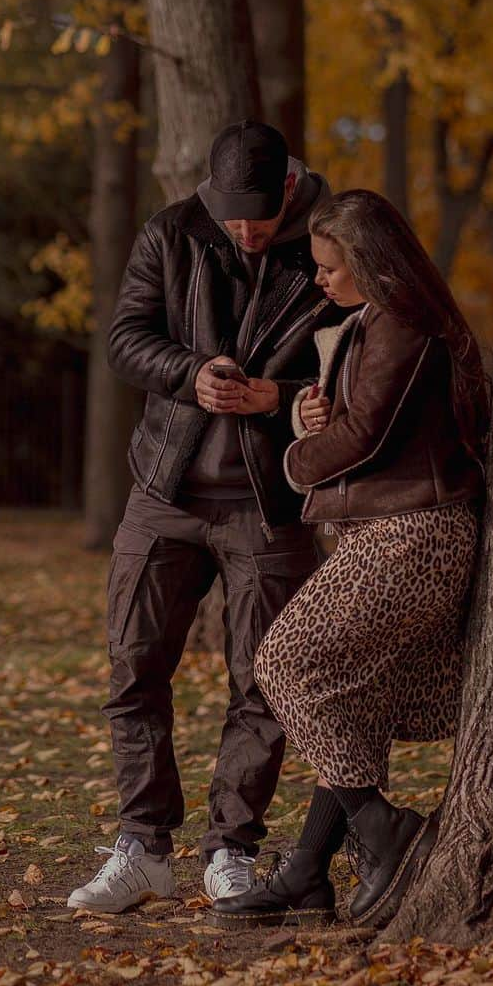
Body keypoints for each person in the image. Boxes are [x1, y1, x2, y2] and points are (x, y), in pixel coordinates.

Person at [67, 120, 339, 914]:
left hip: (270, 503)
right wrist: (192, 374)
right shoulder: (172, 231)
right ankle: (143, 846)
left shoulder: (329, 241)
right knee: (133, 667)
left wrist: (279, 401)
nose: (245, 232)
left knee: (263, 683)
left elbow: (357, 364)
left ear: (288, 187)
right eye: (231, 218)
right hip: (164, 492)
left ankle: (232, 850)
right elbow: (124, 339)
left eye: (257, 216)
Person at [209, 188, 489, 931]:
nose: (319, 280)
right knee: (350, 698)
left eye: (331, 267)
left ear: (370, 261)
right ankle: (306, 874)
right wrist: (310, 405)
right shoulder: (373, 323)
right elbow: (366, 419)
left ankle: (384, 829)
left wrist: (298, 457)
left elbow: (364, 435)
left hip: (413, 537)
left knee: (288, 663)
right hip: (386, 531)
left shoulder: (404, 323)